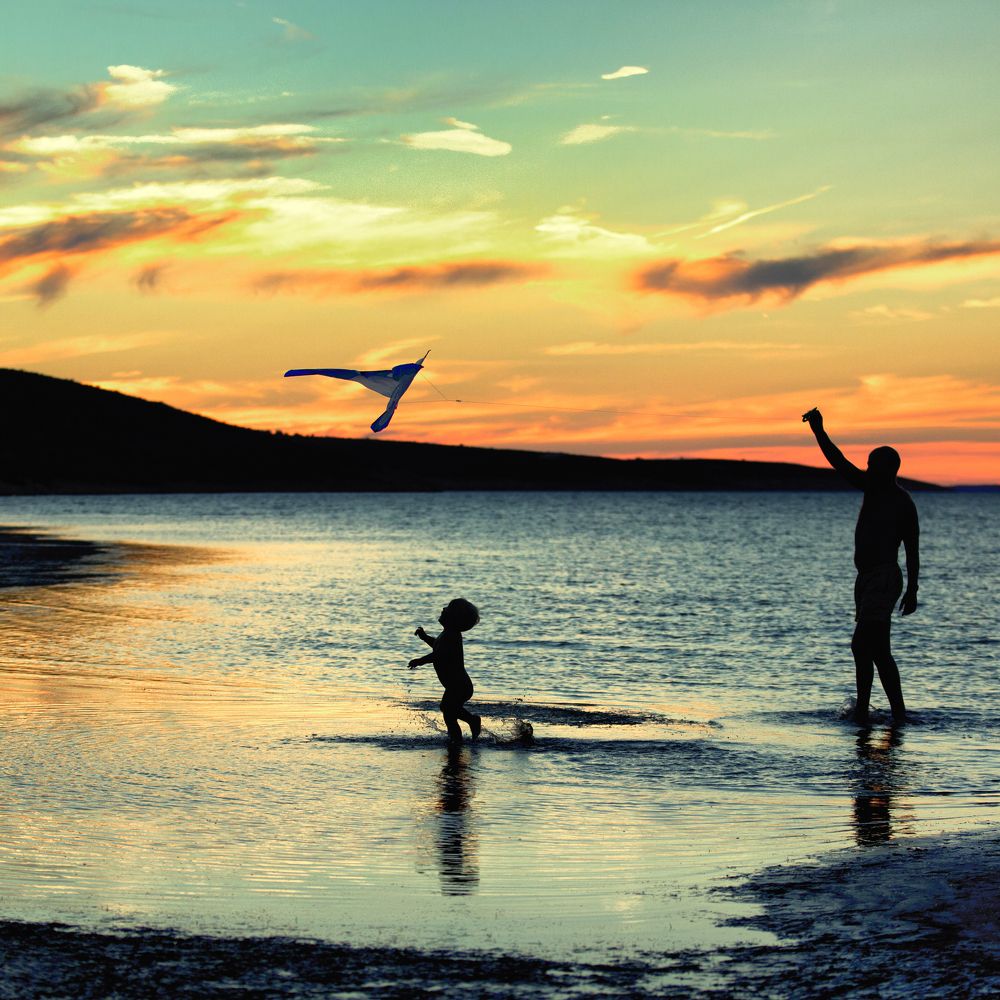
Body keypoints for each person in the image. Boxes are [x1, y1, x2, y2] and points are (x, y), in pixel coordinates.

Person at [802, 407, 919, 724]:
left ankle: (889, 714)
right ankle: (872, 712)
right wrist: (819, 432)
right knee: (871, 649)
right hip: (866, 579)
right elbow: (839, 462)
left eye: (872, 466)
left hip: (884, 579)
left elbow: (912, 548)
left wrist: (912, 589)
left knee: (867, 645)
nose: (866, 469)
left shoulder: (901, 502)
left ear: (886, 469)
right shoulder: (873, 488)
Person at [409, 598, 482, 741]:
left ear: (454, 618)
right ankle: (455, 738)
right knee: (448, 712)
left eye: (447, 608)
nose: (443, 609)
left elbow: (439, 655)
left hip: (459, 685)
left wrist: (420, 661)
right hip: (456, 685)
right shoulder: (447, 634)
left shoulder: (452, 636)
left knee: (448, 709)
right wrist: (424, 637)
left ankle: (471, 722)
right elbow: (437, 646)